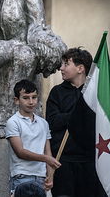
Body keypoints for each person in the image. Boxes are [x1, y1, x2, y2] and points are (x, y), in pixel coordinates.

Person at [46, 48, 103, 197]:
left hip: (91, 162)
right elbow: (53, 121)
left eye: (66, 64)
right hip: (63, 160)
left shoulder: (96, 93)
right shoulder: (57, 92)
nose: (61, 68)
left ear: (80, 68)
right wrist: (75, 115)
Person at [6, 79, 60, 194]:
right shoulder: (13, 122)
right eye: (26, 98)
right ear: (16, 100)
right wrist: (45, 158)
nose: (31, 102)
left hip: (41, 178)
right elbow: (20, 152)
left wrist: (50, 176)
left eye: (34, 97)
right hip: (21, 177)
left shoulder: (43, 123)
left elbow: (48, 152)